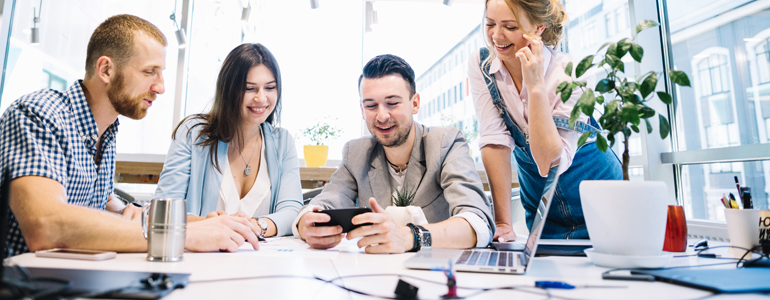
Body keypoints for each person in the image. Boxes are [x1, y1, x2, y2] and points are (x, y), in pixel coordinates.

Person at [0, 15, 260, 272]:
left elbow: (100, 204)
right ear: (106, 69)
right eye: (150, 72)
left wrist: (199, 223)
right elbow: (46, 225)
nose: (160, 87)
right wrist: (181, 235)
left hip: (51, 283)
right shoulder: (39, 113)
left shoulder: (104, 131)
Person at [294, 54, 495, 254]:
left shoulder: (446, 143)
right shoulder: (355, 153)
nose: (381, 116)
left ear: (415, 103)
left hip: (436, 273)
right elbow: (326, 201)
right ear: (362, 110)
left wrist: (410, 237)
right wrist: (307, 224)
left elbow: (478, 222)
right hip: (374, 274)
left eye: (392, 103)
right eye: (371, 105)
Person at [468, 0, 622, 242]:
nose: (496, 36)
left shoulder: (572, 73)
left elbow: (548, 162)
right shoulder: (483, 64)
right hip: (542, 208)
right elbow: (494, 140)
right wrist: (502, 223)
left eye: (510, 26)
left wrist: (536, 87)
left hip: (599, 202)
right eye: (490, 23)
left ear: (538, 28)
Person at [154, 43, 302, 238]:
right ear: (228, 89)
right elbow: (163, 210)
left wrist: (257, 226)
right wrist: (212, 226)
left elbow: (291, 210)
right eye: (250, 88)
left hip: (260, 258)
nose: (261, 98)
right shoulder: (193, 134)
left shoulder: (283, 142)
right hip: (202, 257)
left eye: (270, 88)